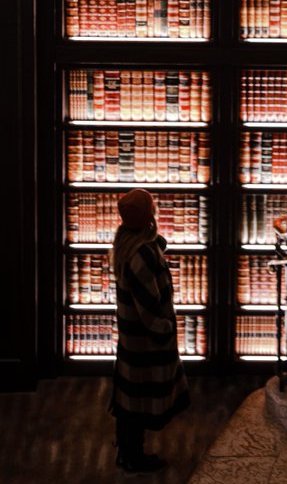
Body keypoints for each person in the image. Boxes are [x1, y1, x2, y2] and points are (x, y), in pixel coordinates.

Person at [110, 188, 190, 473]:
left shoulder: (127, 242)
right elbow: (148, 304)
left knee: (130, 396)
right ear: (149, 214)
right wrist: (165, 330)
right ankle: (134, 456)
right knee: (140, 400)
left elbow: (156, 243)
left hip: (131, 338)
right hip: (147, 340)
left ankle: (126, 450)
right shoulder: (142, 255)